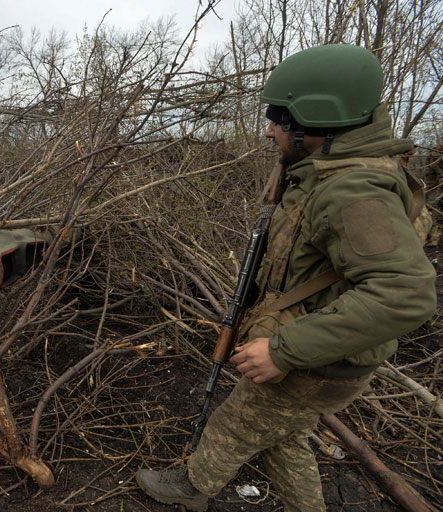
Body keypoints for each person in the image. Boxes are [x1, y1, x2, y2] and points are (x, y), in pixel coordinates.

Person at [136, 45, 436, 512]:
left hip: (315, 363)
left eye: (281, 117)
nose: (271, 128)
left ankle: (193, 489)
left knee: (234, 425)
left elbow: (404, 293)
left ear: (320, 118)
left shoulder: (353, 188)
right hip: (326, 358)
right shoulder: (332, 171)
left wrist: (282, 350)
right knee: (286, 434)